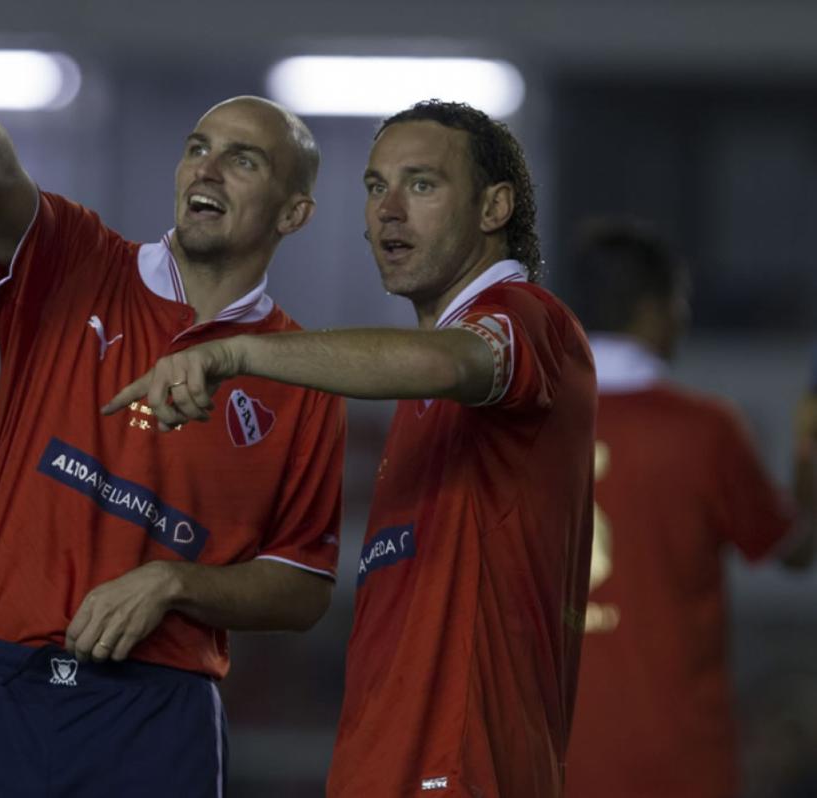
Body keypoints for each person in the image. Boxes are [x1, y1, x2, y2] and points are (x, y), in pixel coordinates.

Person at [0, 61, 346, 797]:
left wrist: (173, 583)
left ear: (293, 213)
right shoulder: (76, 260)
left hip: (154, 716)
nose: (208, 169)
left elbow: (304, 588)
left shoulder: (304, 377)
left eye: (242, 160)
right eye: (198, 147)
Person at [107, 100, 597, 797]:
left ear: (494, 207)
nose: (388, 211)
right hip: (390, 765)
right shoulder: (420, 387)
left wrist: (242, 351)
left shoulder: (527, 319)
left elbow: (450, 364)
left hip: (464, 767)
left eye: (422, 185)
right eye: (375, 188)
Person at [558, 220, 816, 798]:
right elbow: (793, 550)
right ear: (653, 309)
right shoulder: (704, 430)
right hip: (676, 760)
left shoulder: (526, 428)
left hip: (549, 758)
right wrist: (808, 461)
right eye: (680, 302)